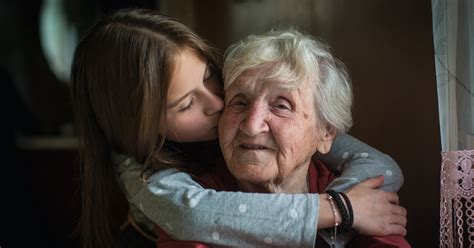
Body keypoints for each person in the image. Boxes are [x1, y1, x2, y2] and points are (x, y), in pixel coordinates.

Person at [70, 9, 405, 248]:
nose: (219, 104)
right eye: (240, 101)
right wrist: (340, 211)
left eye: (210, 78)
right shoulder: (148, 178)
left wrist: (343, 210)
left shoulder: (323, 145)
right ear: (142, 128)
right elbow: (193, 217)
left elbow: (382, 167)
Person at [153, 27, 409, 247]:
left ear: (326, 133)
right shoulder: (192, 206)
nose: (252, 127)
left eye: (281, 106)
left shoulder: (364, 201)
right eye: (239, 102)